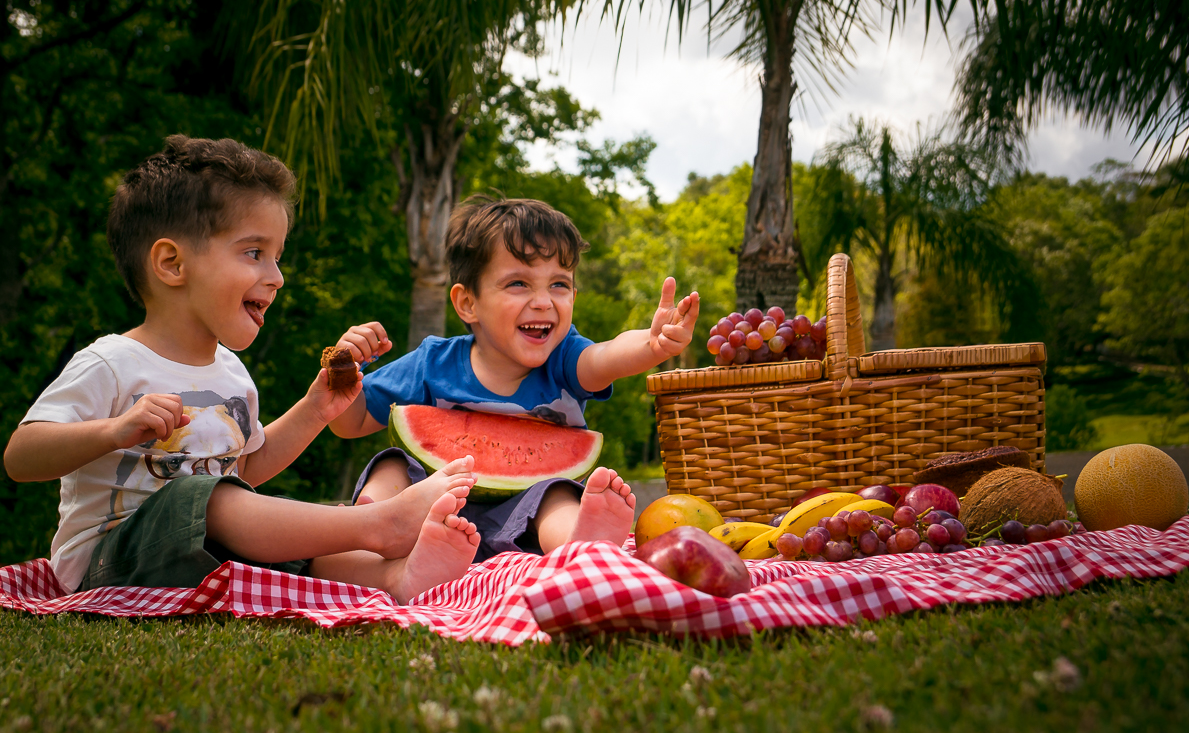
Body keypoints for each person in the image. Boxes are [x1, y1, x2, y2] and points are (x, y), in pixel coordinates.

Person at [3, 135, 480, 603]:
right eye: (255, 253)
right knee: (208, 500)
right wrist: (113, 431)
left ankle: (395, 578)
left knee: (292, 537)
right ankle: (382, 524)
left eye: (277, 257)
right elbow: (20, 456)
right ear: (171, 264)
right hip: (109, 560)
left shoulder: (231, 375)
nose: (277, 277)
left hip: (205, 554)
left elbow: (247, 467)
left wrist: (316, 409)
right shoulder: (110, 362)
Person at [328, 197, 700, 560]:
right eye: (519, 284)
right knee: (392, 463)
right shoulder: (433, 362)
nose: (543, 301)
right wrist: (343, 373)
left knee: (554, 494)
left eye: (559, 284)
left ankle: (580, 543)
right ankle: (366, 524)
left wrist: (651, 346)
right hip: (429, 510)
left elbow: (606, 355)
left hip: (526, 522)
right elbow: (352, 422)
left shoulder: (565, 358)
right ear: (467, 303)